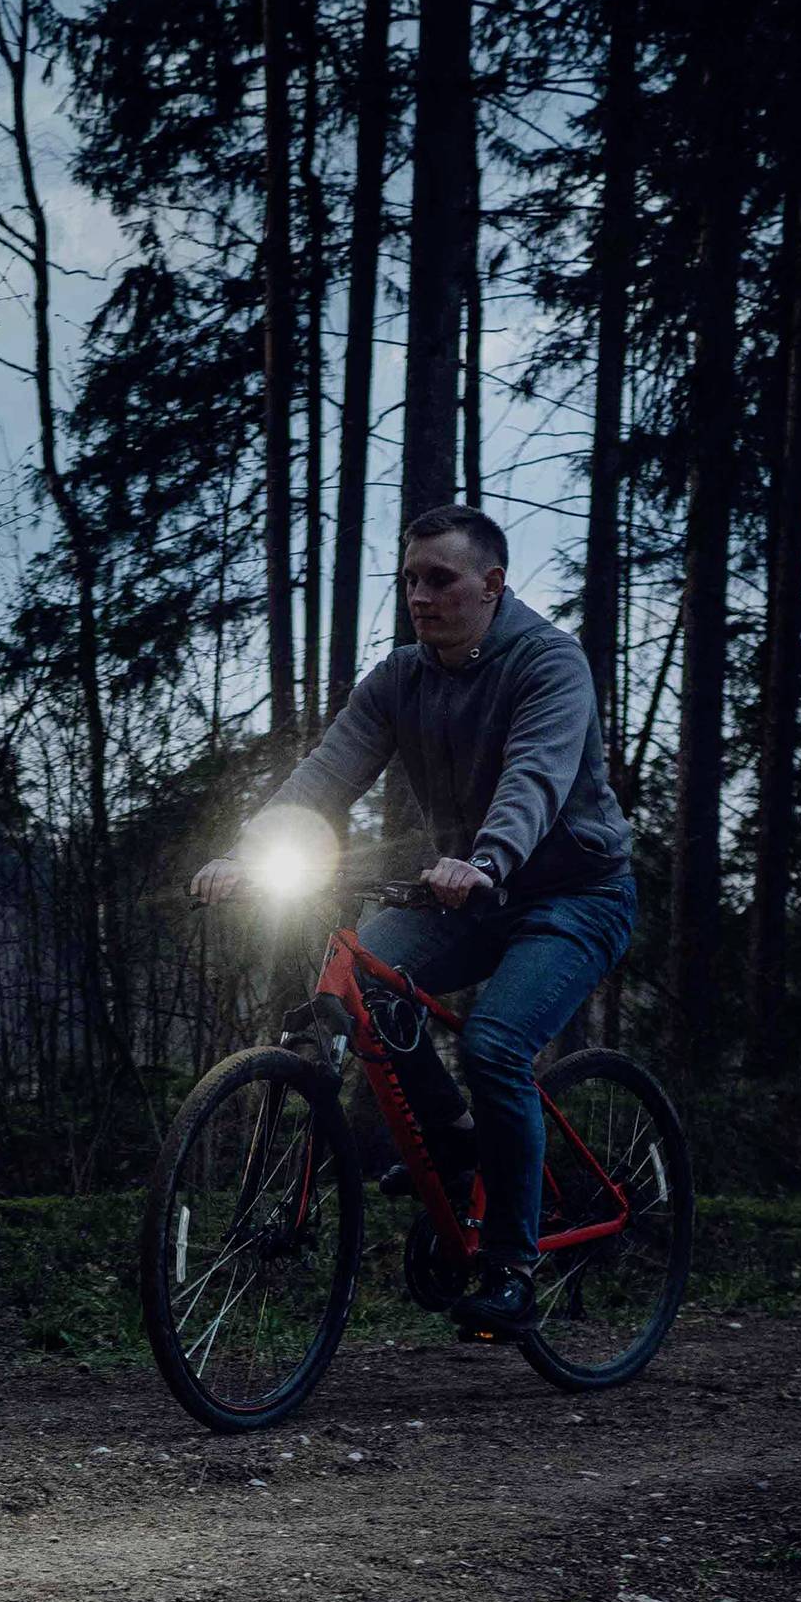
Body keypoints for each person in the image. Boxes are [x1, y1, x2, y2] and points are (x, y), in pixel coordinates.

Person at [192, 505, 634, 1338]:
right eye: (409, 581)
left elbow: (536, 775)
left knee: (494, 1046)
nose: (420, 597)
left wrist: (488, 858)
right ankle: (456, 1141)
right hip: (466, 892)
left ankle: (511, 1265)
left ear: (492, 585)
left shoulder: (550, 662)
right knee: (363, 981)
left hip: (574, 895)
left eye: (440, 579)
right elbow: (324, 774)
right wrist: (249, 851)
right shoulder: (401, 678)